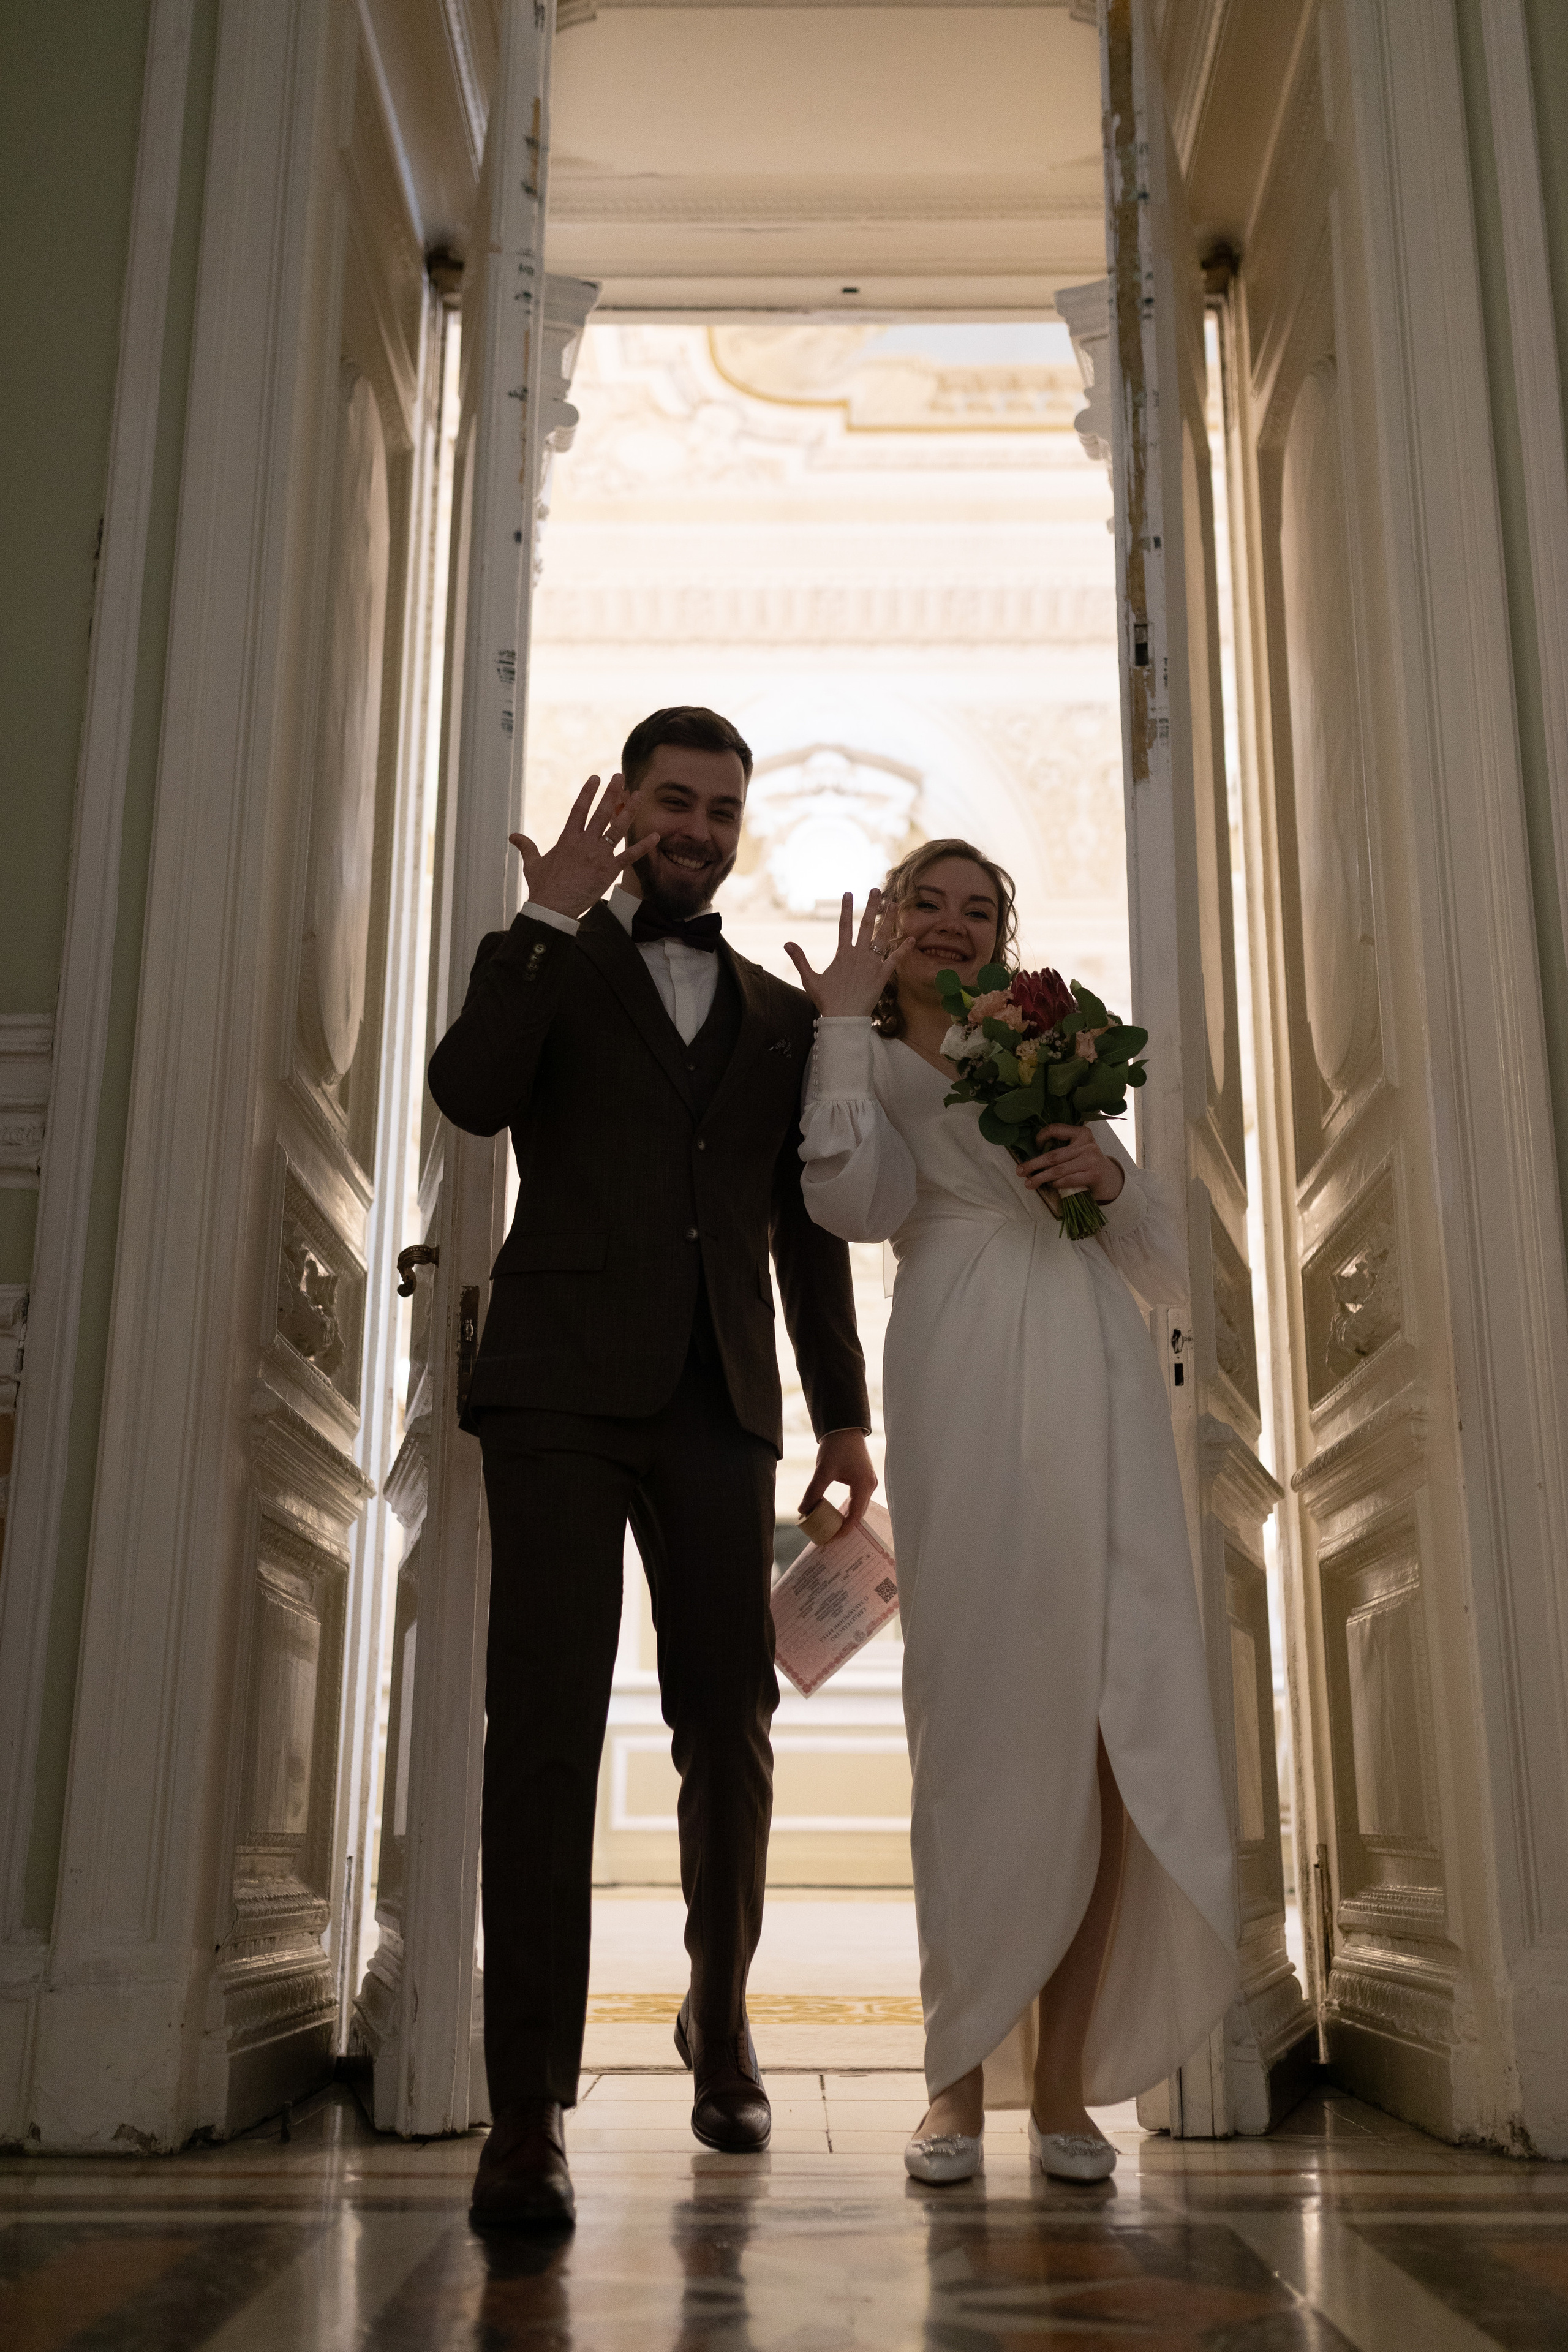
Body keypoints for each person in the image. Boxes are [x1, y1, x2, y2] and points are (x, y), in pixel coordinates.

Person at [429, 707, 875, 2230]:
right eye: (671, 802)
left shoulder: (772, 1011)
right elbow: (471, 1095)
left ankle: (720, 2014)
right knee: (541, 1726)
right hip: (555, 1391)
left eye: (719, 809)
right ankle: (526, 2111)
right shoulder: (553, 961)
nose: (695, 829)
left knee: (729, 1723)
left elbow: (806, 1234)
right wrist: (544, 914)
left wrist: (839, 1418)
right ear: (626, 806)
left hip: (717, 1401)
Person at [785, 839, 1238, 2186]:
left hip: (1090, 1362)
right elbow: (849, 1205)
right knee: (979, 1713)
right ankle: (951, 2084)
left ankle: (1058, 2095)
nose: (948, 923)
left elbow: (1149, 1255)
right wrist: (833, 1034)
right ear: (887, 917)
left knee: (1103, 1719)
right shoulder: (856, 1053)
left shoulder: (1047, 1043)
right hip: (961, 1353)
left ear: (1001, 934)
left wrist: (1112, 1182)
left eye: (975, 908)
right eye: (925, 901)